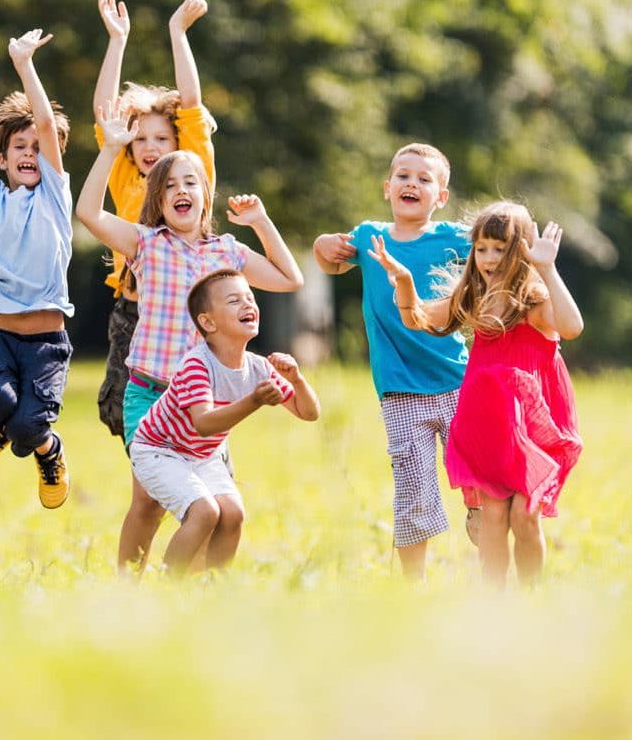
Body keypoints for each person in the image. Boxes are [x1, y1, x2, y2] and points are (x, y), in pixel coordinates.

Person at [76, 112, 305, 573]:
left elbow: (289, 278)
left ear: (205, 196)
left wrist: (260, 221)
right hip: (150, 395)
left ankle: (194, 590)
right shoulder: (146, 243)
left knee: (213, 507)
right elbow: (88, 213)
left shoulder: (227, 251)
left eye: (190, 183)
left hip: (205, 401)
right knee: (148, 501)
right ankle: (126, 587)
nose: (180, 190)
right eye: (169, 186)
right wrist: (110, 148)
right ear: (157, 201)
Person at [369, 201, 583, 587]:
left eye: (499, 248)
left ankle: (531, 594)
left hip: (533, 424)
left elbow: (571, 327)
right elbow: (417, 318)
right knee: (494, 517)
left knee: (524, 515)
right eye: (481, 248)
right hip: (489, 423)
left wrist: (547, 269)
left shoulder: (534, 304)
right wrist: (404, 283)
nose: (488, 258)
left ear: (520, 250)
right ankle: (492, 601)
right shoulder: (475, 298)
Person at [312, 143, 474, 580]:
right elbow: (331, 264)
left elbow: (498, 247)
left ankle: (484, 528)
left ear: (441, 197)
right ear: (388, 188)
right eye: (403, 176)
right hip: (400, 387)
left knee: (477, 472)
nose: (411, 184)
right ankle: (412, 585)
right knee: (413, 490)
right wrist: (322, 245)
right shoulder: (370, 237)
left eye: (424, 179)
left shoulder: (453, 237)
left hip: (457, 380)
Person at [91, 0, 218, 443]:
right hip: (134, 312)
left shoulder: (193, 175)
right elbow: (105, 114)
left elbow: (191, 103)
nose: (149, 147)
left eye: (161, 139)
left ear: (179, 145)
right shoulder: (127, 179)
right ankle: (154, 472)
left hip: (188, 315)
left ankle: (192, 468)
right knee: (121, 413)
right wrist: (117, 40)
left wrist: (177, 31)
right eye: (140, 139)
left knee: (193, 413)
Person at [130, 270, 319, 574]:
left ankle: (210, 586)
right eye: (234, 301)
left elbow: (308, 412)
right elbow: (204, 423)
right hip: (159, 450)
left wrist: (296, 379)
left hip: (201, 455)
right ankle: (169, 588)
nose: (248, 304)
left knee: (233, 513)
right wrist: (253, 401)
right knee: (204, 511)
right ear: (208, 322)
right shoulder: (197, 365)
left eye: (250, 298)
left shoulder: (258, 367)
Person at [0, 27, 73, 508]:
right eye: (19, 147)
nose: (29, 153)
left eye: (37, 148)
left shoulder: (55, 197)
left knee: (28, 429)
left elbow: (45, 123)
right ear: (1, 160)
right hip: (2, 335)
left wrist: (25, 64)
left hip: (47, 343)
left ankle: (48, 450)